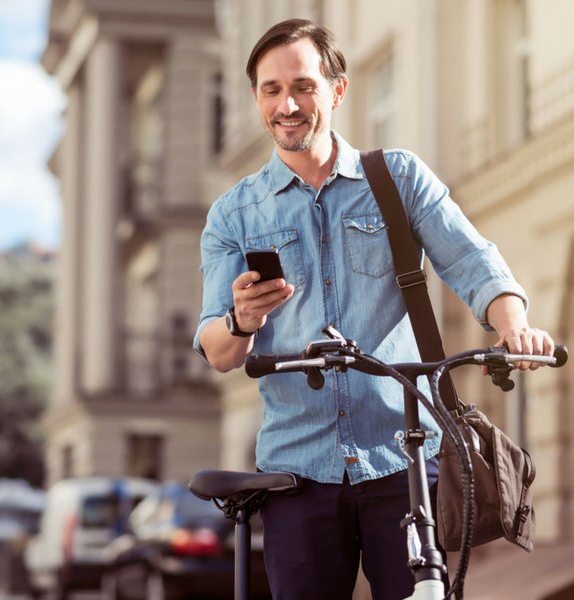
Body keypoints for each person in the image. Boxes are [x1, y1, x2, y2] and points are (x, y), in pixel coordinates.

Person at [192, 18, 555, 600]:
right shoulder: (234, 215)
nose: (288, 104)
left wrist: (514, 325)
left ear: (336, 90)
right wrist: (242, 319)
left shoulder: (397, 178)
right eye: (271, 89)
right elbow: (218, 350)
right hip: (297, 470)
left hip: (404, 456)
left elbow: (473, 260)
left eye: (304, 86)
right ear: (258, 98)